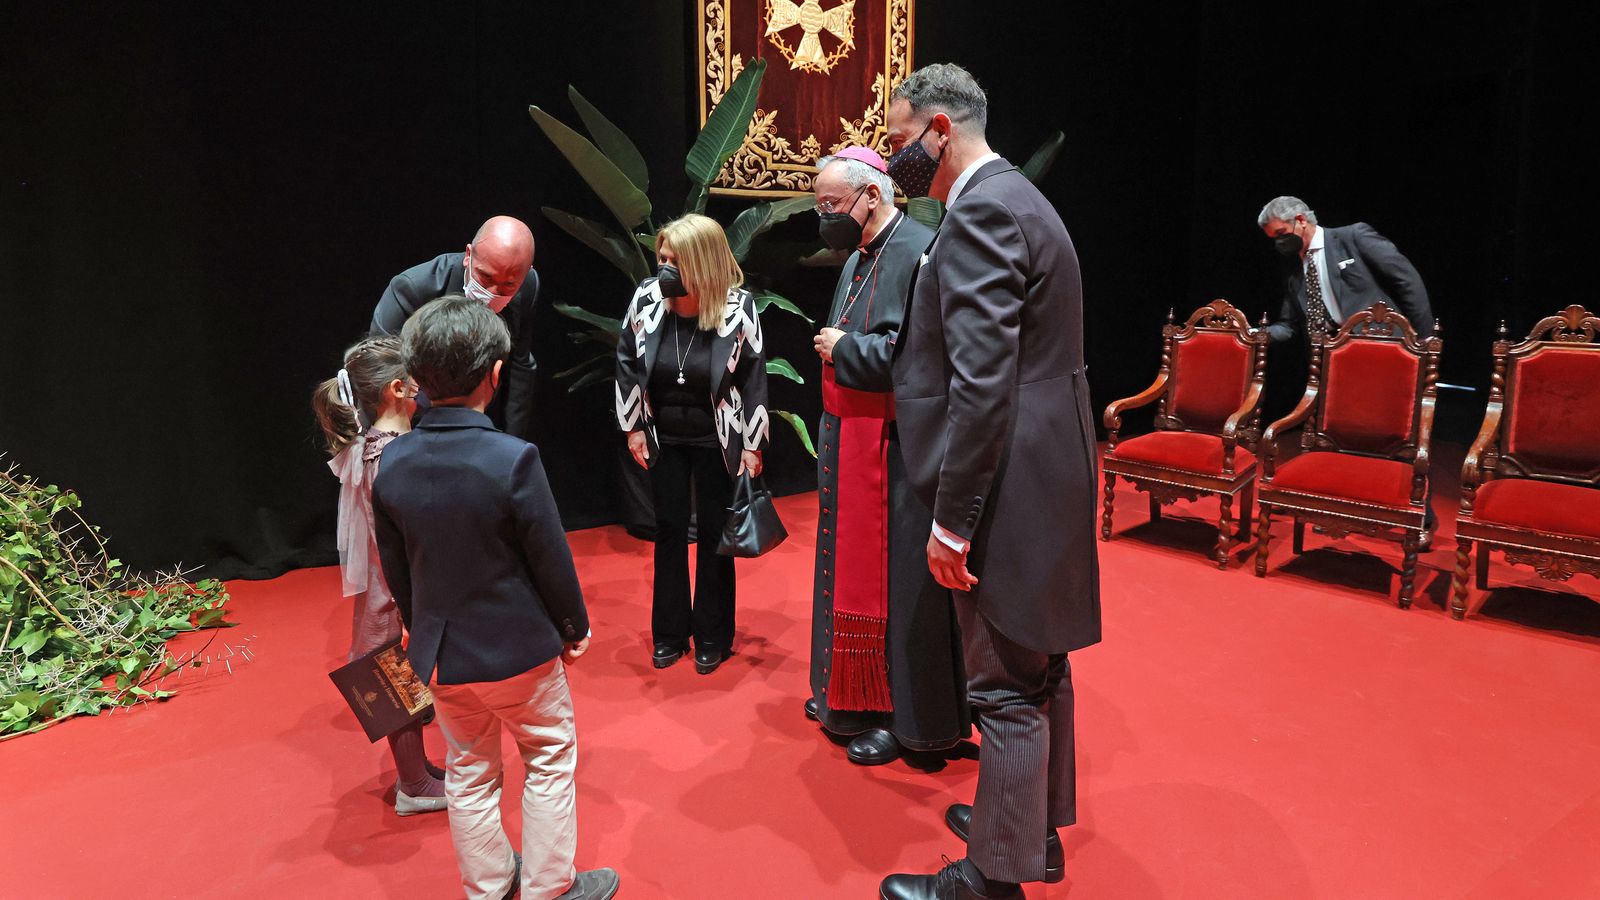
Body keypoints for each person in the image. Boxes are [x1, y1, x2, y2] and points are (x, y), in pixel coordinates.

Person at [880, 64, 1101, 900]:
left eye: (900, 141)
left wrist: (952, 521)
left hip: (1006, 479)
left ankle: (989, 880)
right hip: (1053, 468)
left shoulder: (980, 214)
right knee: (1040, 665)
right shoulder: (1021, 200)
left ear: (940, 128)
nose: (895, 158)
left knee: (1004, 684)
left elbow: (980, 385)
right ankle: (1028, 831)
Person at [372, 296, 618, 900]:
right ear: (496, 375)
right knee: (549, 758)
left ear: (416, 380)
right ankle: (549, 888)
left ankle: (487, 887)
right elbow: (550, 559)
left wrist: (419, 628)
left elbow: (397, 574)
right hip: (520, 653)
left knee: (470, 773)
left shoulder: (393, 462)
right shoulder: (513, 458)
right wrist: (572, 626)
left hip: (443, 657)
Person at [804, 146, 968, 767]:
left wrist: (845, 348)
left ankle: (909, 722)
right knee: (848, 571)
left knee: (902, 589)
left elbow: (922, 360)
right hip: (851, 437)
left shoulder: (921, 250)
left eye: (831, 205)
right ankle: (849, 698)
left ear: (871, 197)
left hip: (900, 449)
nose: (826, 217)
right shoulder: (859, 255)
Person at [614, 213, 769, 676]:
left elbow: (753, 374)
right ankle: (668, 634)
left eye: (673, 260)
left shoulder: (738, 306)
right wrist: (633, 426)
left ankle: (713, 635)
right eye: (661, 258)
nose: (663, 267)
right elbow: (625, 358)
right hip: (665, 435)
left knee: (716, 538)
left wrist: (753, 445)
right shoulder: (646, 298)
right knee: (668, 531)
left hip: (719, 437)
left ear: (701, 263)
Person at [311, 335, 447, 816]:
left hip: (388, 584)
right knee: (390, 676)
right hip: (393, 587)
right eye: (416, 377)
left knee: (393, 673)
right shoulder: (391, 455)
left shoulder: (378, 447)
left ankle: (420, 773)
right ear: (397, 388)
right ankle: (413, 783)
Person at [370, 215, 541, 438]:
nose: (492, 292)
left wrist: (512, 440)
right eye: (485, 277)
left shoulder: (528, 285)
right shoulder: (413, 287)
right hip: (413, 423)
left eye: (508, 285)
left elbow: (520, 364)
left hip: (480, 422)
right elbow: (378, 366)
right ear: (468, 256)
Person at [1257, 195, 1432, 345]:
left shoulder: (1352, 237)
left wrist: (1424, 338)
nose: (1279, 242)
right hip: (1332, 356)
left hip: (1381, 343)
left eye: (1281, 233)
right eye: (1273, 238)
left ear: (1301, 220)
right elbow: (1288, 326)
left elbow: (1407, 280)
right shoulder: (1292, 268)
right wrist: (1251, 335)